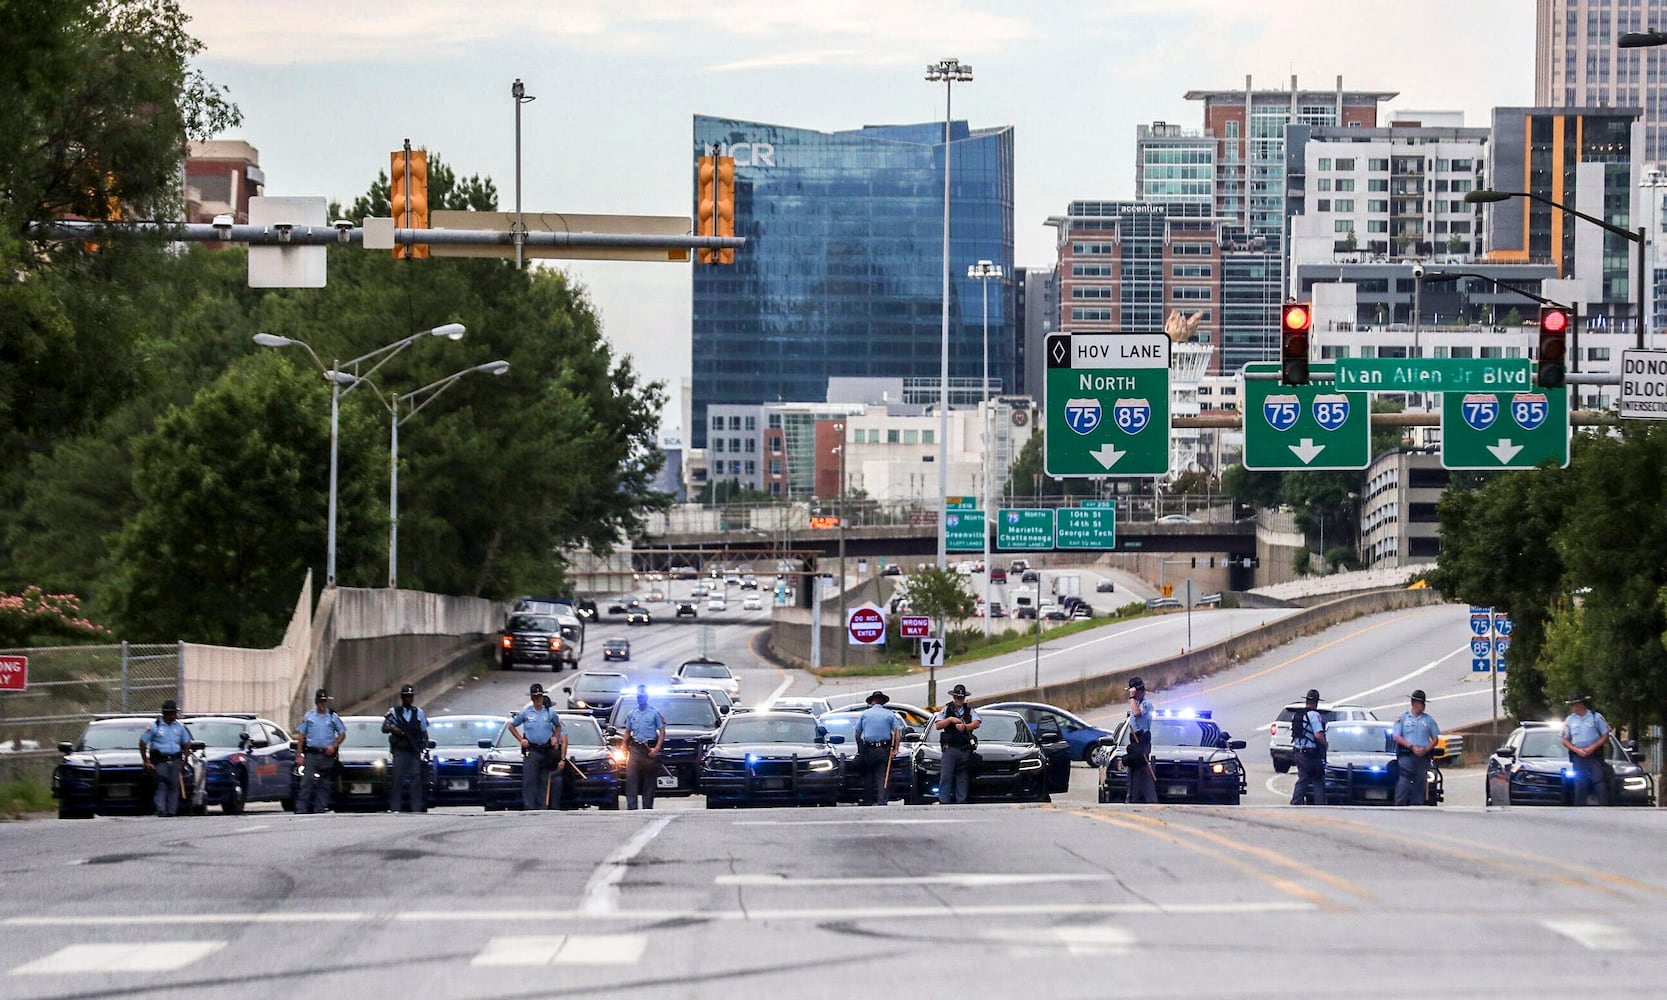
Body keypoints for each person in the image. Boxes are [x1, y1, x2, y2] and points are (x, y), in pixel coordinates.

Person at [508, 682, 565, 810]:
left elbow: (558, 726)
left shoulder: (550, 713)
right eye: (535, 697)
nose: (538, 700)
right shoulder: (526, 712)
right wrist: (521, 739)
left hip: (546, 750)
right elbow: (511, 726)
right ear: (532, 698)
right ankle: (529, 806)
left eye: (539, 697)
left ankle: (542, 806)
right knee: (530, 780)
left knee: (544, 779)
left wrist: (555, 737)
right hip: (532, 750)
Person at [295, 688, 347, 814]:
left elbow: (342, 733)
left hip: (326, 755)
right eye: (320, 701)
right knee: (306, 781)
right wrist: (299, 755)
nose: (322, 704)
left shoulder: (332, 716)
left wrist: (334, 745)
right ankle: (301, 808)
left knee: (324, 783)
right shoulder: (309, 716)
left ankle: (320, 808)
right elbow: (301, 736)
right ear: (316, 702)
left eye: (324, 701)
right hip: (311, 754)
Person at [139, 699, 192, 817]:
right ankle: (161, 810)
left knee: (174, 785)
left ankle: (172, 810)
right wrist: (146, 761)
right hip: (160, 760)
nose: (175, 715)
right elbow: (143, 742)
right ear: (167, 713)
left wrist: (185, 758)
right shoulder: (155, 726)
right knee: (161, 784)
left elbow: (187, 742)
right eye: (173, 712)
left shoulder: (179, 727)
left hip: (175, 760)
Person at [382, 684, 429, 813]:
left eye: (410, 696)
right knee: (397, 779)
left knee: (416, 779)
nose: (408, 699)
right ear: (402, 697)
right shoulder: (394, 712)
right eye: (406, 696)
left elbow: (424, 732)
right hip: (400, 751)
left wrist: (425, 748)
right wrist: (393, 728)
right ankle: (395, 807)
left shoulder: (418, 712)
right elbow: (384, 728)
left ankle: (416, 808)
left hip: (413, 751)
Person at [1391, 689, 1441, 806]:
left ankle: (1417, 807)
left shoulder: (1428, 720)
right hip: (1407, 754)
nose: (1423, 706)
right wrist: (1412, 747)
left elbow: (1435, 738)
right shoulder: (1403, 718)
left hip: (1423, 757)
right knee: (1404, 782)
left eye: (1423, 703)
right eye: (1420, 703)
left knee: (1420, 784)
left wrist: (1426, 749)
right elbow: (1396, 736)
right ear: (1414, 703)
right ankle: (1400, 805)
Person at [1561, 693, 1612, 806]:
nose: (1572, 707)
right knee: (1580, 783)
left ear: (1581, 705)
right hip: (1579, 756)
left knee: (1599, 781)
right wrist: (1576, 750)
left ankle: (1604, 807)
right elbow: (1564, 740)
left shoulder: (1596, 717)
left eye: (1573, 705)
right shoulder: (1569, 720)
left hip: (1594, 755)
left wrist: (1592, 748)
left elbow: (1605, 735)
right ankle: (1580, 807)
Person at [853, 690, 903, 806]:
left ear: (872, 702)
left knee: (868, 776)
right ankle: (882, 801)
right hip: (883, 749)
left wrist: (860, 749)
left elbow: (857, 734)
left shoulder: (865, 714)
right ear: (882, 702)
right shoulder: (890, 714)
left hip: (868, 749)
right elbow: (897, 733)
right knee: (882, 776)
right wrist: (895, 749)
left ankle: (868, 801)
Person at [934, 684, 981, 804]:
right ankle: (944, 801)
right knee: (946, 777)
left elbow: (977, 723)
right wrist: (950, 720)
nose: (959, 700)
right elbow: (938, 725)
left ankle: (961, 801)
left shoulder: (969, 711)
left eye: (961, 698)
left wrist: (965, 727)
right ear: (953, 697)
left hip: (964, 749)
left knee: (963, 778)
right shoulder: (946, 710)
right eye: (957, 697)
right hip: (950, 749)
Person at [621, 686, 666, 810]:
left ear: (646, 698)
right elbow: (627, 732)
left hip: (649, 749)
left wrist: (656, 748)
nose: (640, 699)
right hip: (635, 749)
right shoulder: (632, 713)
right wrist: (623, 746)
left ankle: (647, 807)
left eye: (642, 697)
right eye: (638, 697)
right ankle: (632, 807)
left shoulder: (654, 713)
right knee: (631, 778)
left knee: (649, 780)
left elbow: (662, 731)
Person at [1289, 688, 1328, 806]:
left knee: (1303, 778)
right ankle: (1320, 805)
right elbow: (1318, 735)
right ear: (1316, 702)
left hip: (1297, 752)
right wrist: (1325, 744)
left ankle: (1295, 803)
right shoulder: (1314, 715)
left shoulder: (1298, 715)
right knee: (1318, 779)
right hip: (1310, 754)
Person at [1124, 677, 1157, 804]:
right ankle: (1132, 797)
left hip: (1142, 739)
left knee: (1142, 768)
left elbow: (1137, 713)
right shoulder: (1135, 704)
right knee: (1133, 768)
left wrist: (1132, 698)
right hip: (1134, 739)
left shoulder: (1145, 704)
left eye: (1132, 691)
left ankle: (1150, 799)